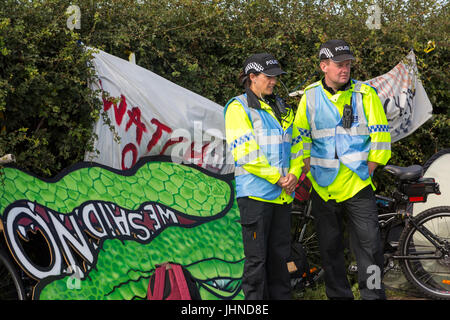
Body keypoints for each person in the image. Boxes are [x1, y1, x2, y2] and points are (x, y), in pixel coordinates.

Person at [293, 39, 391, 300]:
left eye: (348, 64)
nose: (345, 69)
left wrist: (368, 170)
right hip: (323, 187)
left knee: (370, 249)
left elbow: (380, 137)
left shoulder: (365, 94)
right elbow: (299, 137)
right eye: (339, 64)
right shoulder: (310, 96)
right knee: (330, 249)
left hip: (358, 185)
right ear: (324, 66)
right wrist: (308, 169)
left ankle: (373, 296)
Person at [224, 53, 303, 299]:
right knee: (257, 261)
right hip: (256, 196)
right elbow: (246, 153)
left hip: (282, 196)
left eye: (276, 78)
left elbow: (299, 146)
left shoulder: (281, 108)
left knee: (281, 260)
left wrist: (295, 173)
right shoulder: (238, 107)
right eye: (269, 77)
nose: (274, 82)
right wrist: (278, 178)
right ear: (252, 77)